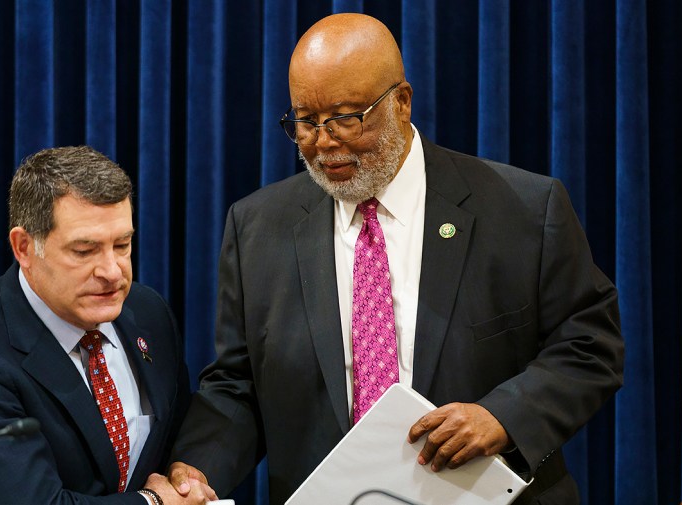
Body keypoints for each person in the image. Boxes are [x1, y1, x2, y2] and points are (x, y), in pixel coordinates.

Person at [169, 13, 624, 505]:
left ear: (401, 103)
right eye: (305, 120)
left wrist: (505, 417)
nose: (324, 142)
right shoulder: (257, 227)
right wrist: (196, 469)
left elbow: (589, 344)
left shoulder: (525, 209)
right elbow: (239, 385)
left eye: (346, 117)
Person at [0, 146, 215, 504]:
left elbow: (173, 438)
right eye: (84, 251)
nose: (112, 272)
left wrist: (184, 470)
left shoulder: (148, 313)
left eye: (122, 244)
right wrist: (153, 502)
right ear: (24, 247)